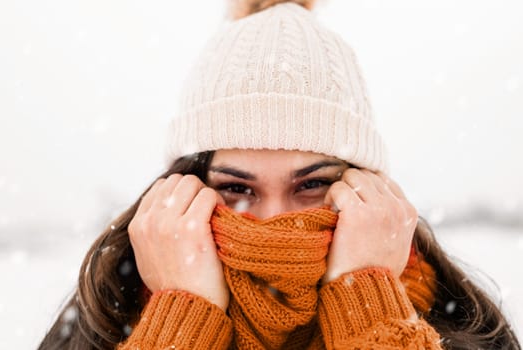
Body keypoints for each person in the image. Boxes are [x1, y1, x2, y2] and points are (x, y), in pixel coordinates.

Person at [38, 1, 520, 349]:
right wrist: (180, 316)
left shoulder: (464, 328)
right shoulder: (106, 320)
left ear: (367, 189)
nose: (273, 221)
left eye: (311, 184)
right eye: (236, 188)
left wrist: (370, 305)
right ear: (187, 189)